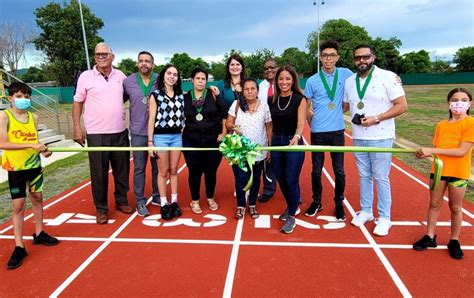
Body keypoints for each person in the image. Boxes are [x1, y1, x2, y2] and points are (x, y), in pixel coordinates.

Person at [343, 44, 408, 236]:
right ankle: (366, 211)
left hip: (381, 136)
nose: (361, 61)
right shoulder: (349, 81)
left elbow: (402, 106)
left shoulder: (388, 77)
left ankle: (385, 217)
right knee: (363, 175)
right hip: (359, 136)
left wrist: (377, 118)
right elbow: (344, 107)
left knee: (380, 177)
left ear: (373, 57)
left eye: (365, 57)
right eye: (357, 58)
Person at [0, 82, 59, 270]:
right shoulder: (4, 116)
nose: (23, 100)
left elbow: (34, 141)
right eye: (19, 96)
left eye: (26, 97)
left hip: (34, 165)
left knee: (38, 197)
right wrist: (31, 146)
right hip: (16, 167)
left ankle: (39, 233)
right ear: (10, 98)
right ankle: (19, 246)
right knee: (18, 205)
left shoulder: (33, 116)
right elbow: (3, 143)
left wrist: (43, 150)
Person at [73, 42, 133, 225]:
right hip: (97, 134)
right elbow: (77, 103)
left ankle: (121, 201)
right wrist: (77, 128)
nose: (101, 57)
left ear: (112, 56)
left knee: (122, 171)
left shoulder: (121, 76)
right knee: (99, 174)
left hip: (120, 132)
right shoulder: (85, 77)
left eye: (104, 54)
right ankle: (101, 209)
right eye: (97, 54)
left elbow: (126, 97)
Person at [413, 88, 473, 260]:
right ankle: (430, 236)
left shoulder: (470, 123)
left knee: (455, 207)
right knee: (434, 203)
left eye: (463, 99)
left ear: (469, 103)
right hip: (439, 170)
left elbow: (461, 151)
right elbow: (438, 150)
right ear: (448, 103)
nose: (458, 103)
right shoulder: (441, 125)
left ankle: (454, 240)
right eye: (455, 99)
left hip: (458, 172)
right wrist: (425, 153)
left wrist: (432, 150)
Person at [304, 40, 353, 221]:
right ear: (320, 57)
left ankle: (338, 203)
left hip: (337, 131)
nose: (328, 58)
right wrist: (311, 121)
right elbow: (306, 105)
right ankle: (317, 201)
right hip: (317, 132)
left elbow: (365, 76)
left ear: (337, 57)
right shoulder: (312, 80)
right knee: (316, 169)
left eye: (332, 55)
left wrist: (393, 77)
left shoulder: (346, 74)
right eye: (325, 55)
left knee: (339, 170)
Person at [183, 67, 227, 214]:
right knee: (194, 172)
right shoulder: (186, 97)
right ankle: (194, 200)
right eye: (198, 78)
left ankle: (210, 197)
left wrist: (223, 133)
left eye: (203, 79)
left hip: (212, 140)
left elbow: (224, 114)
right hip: (191, 140)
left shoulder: (213, 94)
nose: (201, 81)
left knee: (211, 172)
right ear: (192, 80)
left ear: (206, 81)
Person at [226, 78, 272, 219]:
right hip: (239, 149)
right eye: (247, 89)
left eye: (253, 88)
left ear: (257, 91)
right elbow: (228, 123)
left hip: (258, 149)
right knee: (240, 179)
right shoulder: (236, 104)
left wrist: (269, 148)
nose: (250, 91)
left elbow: (268, 126)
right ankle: (241, 205)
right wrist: (233, 127)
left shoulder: (264, 106)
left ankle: (252, 204)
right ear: (243, 91)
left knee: (256, 179)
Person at [269, 65, 307, 234]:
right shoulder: (271, 100)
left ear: (293, 81)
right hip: (276, 141)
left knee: (291, 179)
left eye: (287, 79)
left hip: (293, 142)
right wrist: (269, 147)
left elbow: (301, 123)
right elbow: (269, 125)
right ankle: (293, 201)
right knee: (280, 178)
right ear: (276, 81)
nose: (284, 82)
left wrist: (297, 136)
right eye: (281, 79)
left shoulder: (300, 99)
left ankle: (292, 214)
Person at [123, 51, 160, 217]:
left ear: (152, 64)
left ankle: (158, 195)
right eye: (141, 61)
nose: (144, 63)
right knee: (139, 167)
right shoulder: (128, 82)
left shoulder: (160, 79)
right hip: (138, 131)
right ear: (137, 63)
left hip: (157, 130)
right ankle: (140, 200)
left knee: (157, 167)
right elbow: (119, 101)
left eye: (147, 61)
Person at [148, 64, 184, 220]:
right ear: (163, 75)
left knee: (174, 170)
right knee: (163, 172)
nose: (172, 76)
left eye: (175, 74)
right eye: (169, 73)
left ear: (177, 79)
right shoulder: (155, 95)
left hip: (176, 137)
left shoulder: (181, 95)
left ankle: (174, 202)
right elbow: (151, 120)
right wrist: (150, 142)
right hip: (160, 138)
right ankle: (164, 203)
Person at [257, 58, 278, 203]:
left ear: (277, 68)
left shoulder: (283, 82)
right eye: (266, 68)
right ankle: (268, 190)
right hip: (266, 127)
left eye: (272, 67)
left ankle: (293, 192)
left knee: (287, 163)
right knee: (267, 160)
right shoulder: (260, 87)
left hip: (283, 127)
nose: (269, 70)